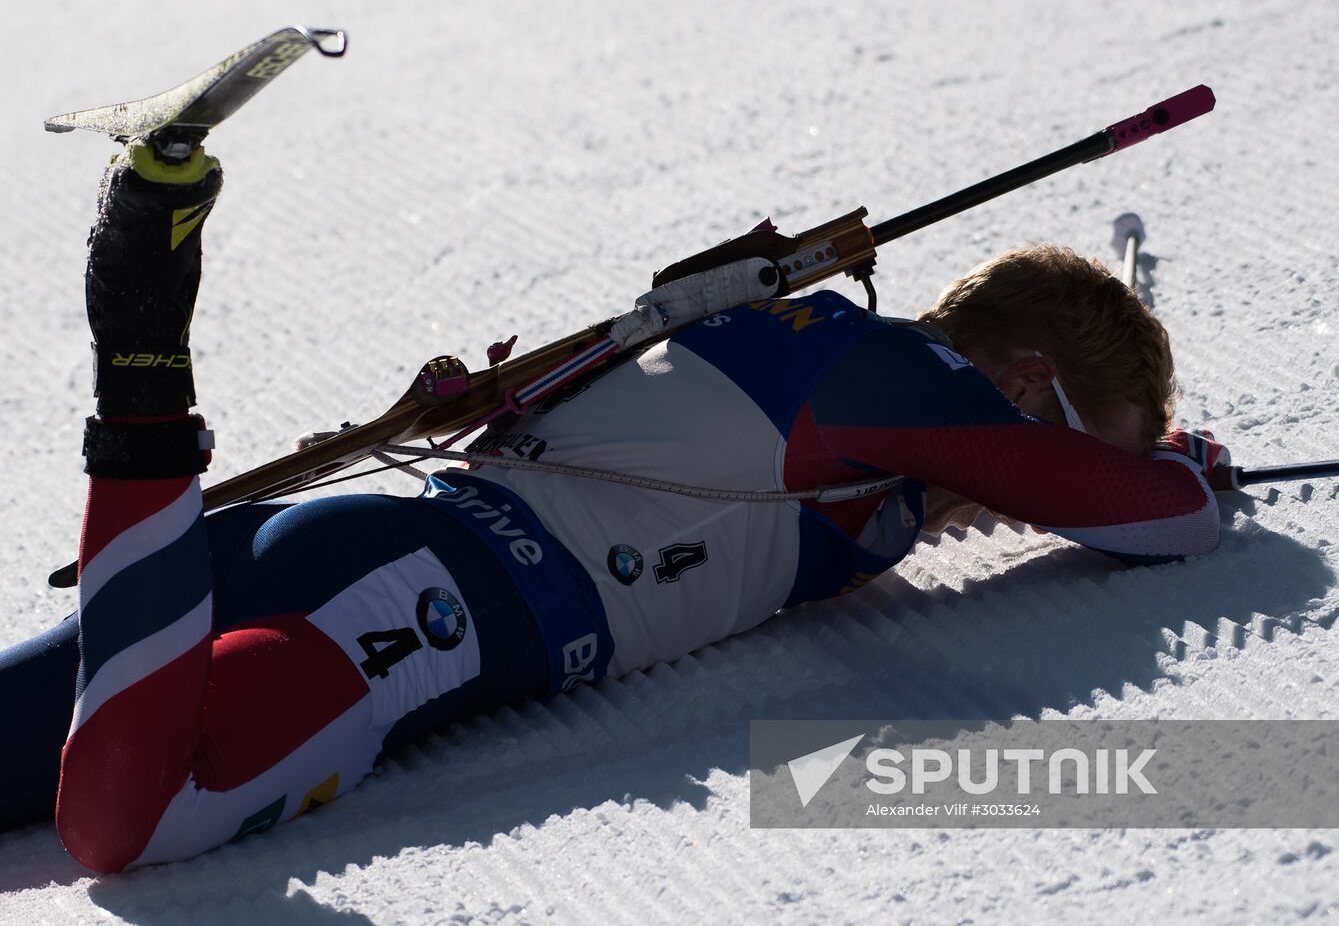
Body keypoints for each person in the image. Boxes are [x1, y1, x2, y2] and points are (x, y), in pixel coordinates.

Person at [0, 140, 1229, 873]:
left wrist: (1069, 458)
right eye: (1057, 438)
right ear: (1020, 383)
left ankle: (143, 410)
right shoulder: (903, 379)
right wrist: (1178, 468)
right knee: (137, 822)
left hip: (339, 544)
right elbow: (1157, 520)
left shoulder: (810, 361)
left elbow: (915, 494)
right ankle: (144, 378)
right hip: (428, 613)